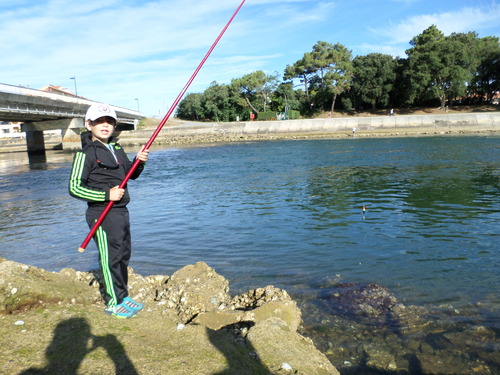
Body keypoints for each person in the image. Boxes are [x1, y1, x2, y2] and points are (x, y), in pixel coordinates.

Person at [69, 103, 149, 319]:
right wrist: (106, 195)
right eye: (99, 121)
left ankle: (123, 296)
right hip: (101, 213)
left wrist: (139, 162)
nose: (105, 125)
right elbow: (74, 188)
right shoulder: (84, 154)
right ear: (89, 125)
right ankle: (113, 302)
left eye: (109, 122)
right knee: (110, 257)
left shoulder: (118, 149)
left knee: (123, 255)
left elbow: (130, 175)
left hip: (121, 212)